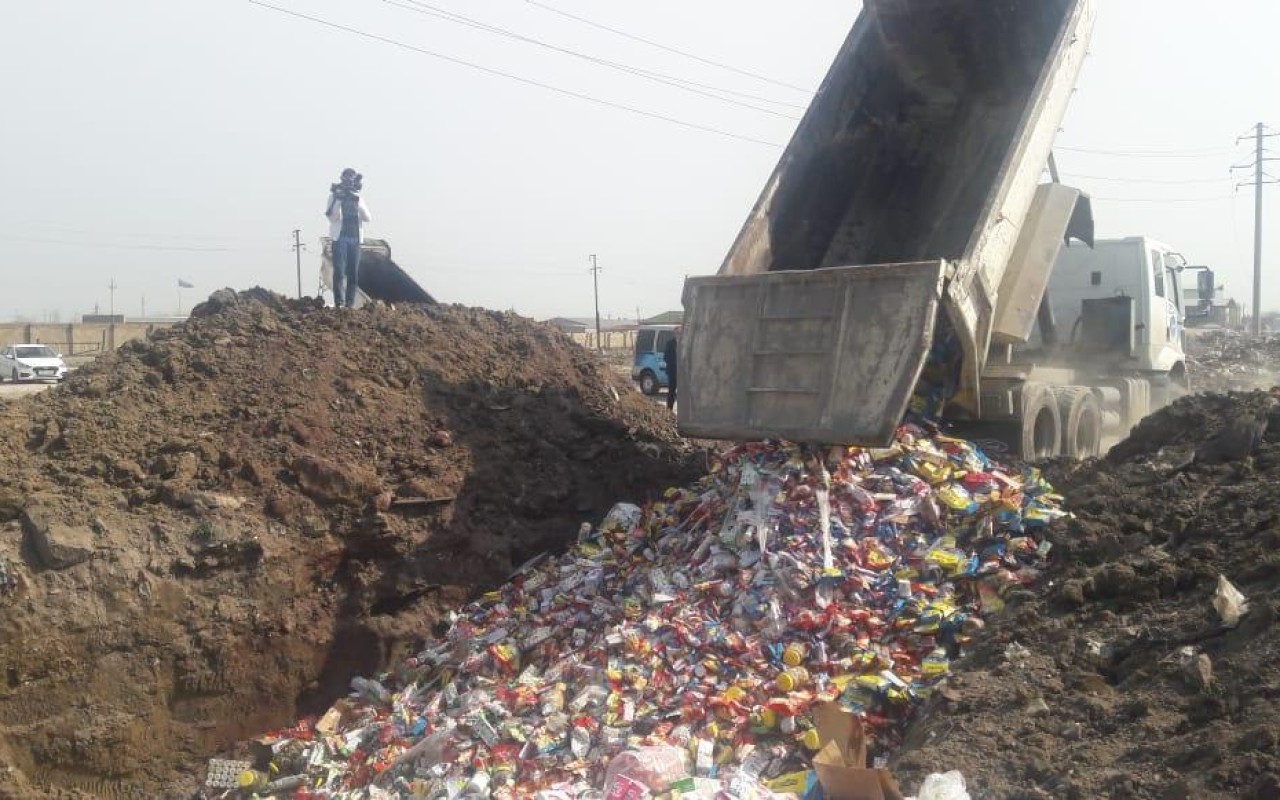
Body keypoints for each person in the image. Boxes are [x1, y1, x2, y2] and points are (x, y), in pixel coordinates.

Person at [325, 168, 371, 308]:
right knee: (339, 271)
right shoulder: (334, 196)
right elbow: (332, 218)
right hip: (340, 239)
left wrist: (356, 202)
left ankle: (349, 303)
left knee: (353, 273)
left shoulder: (358, 196)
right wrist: (339, 199)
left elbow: (368, 218)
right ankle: (339, 302)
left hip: (355, 240)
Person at [663, 328, 679, 411]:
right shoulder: (670, 344)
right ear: (674, 334)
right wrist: (674, 362)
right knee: (671, 392)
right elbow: (665, 357)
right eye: (677, 332)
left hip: (682, 373)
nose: (679, 334)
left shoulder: (685, 343)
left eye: (680, 332)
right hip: (672, 372)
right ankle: (669, 410)